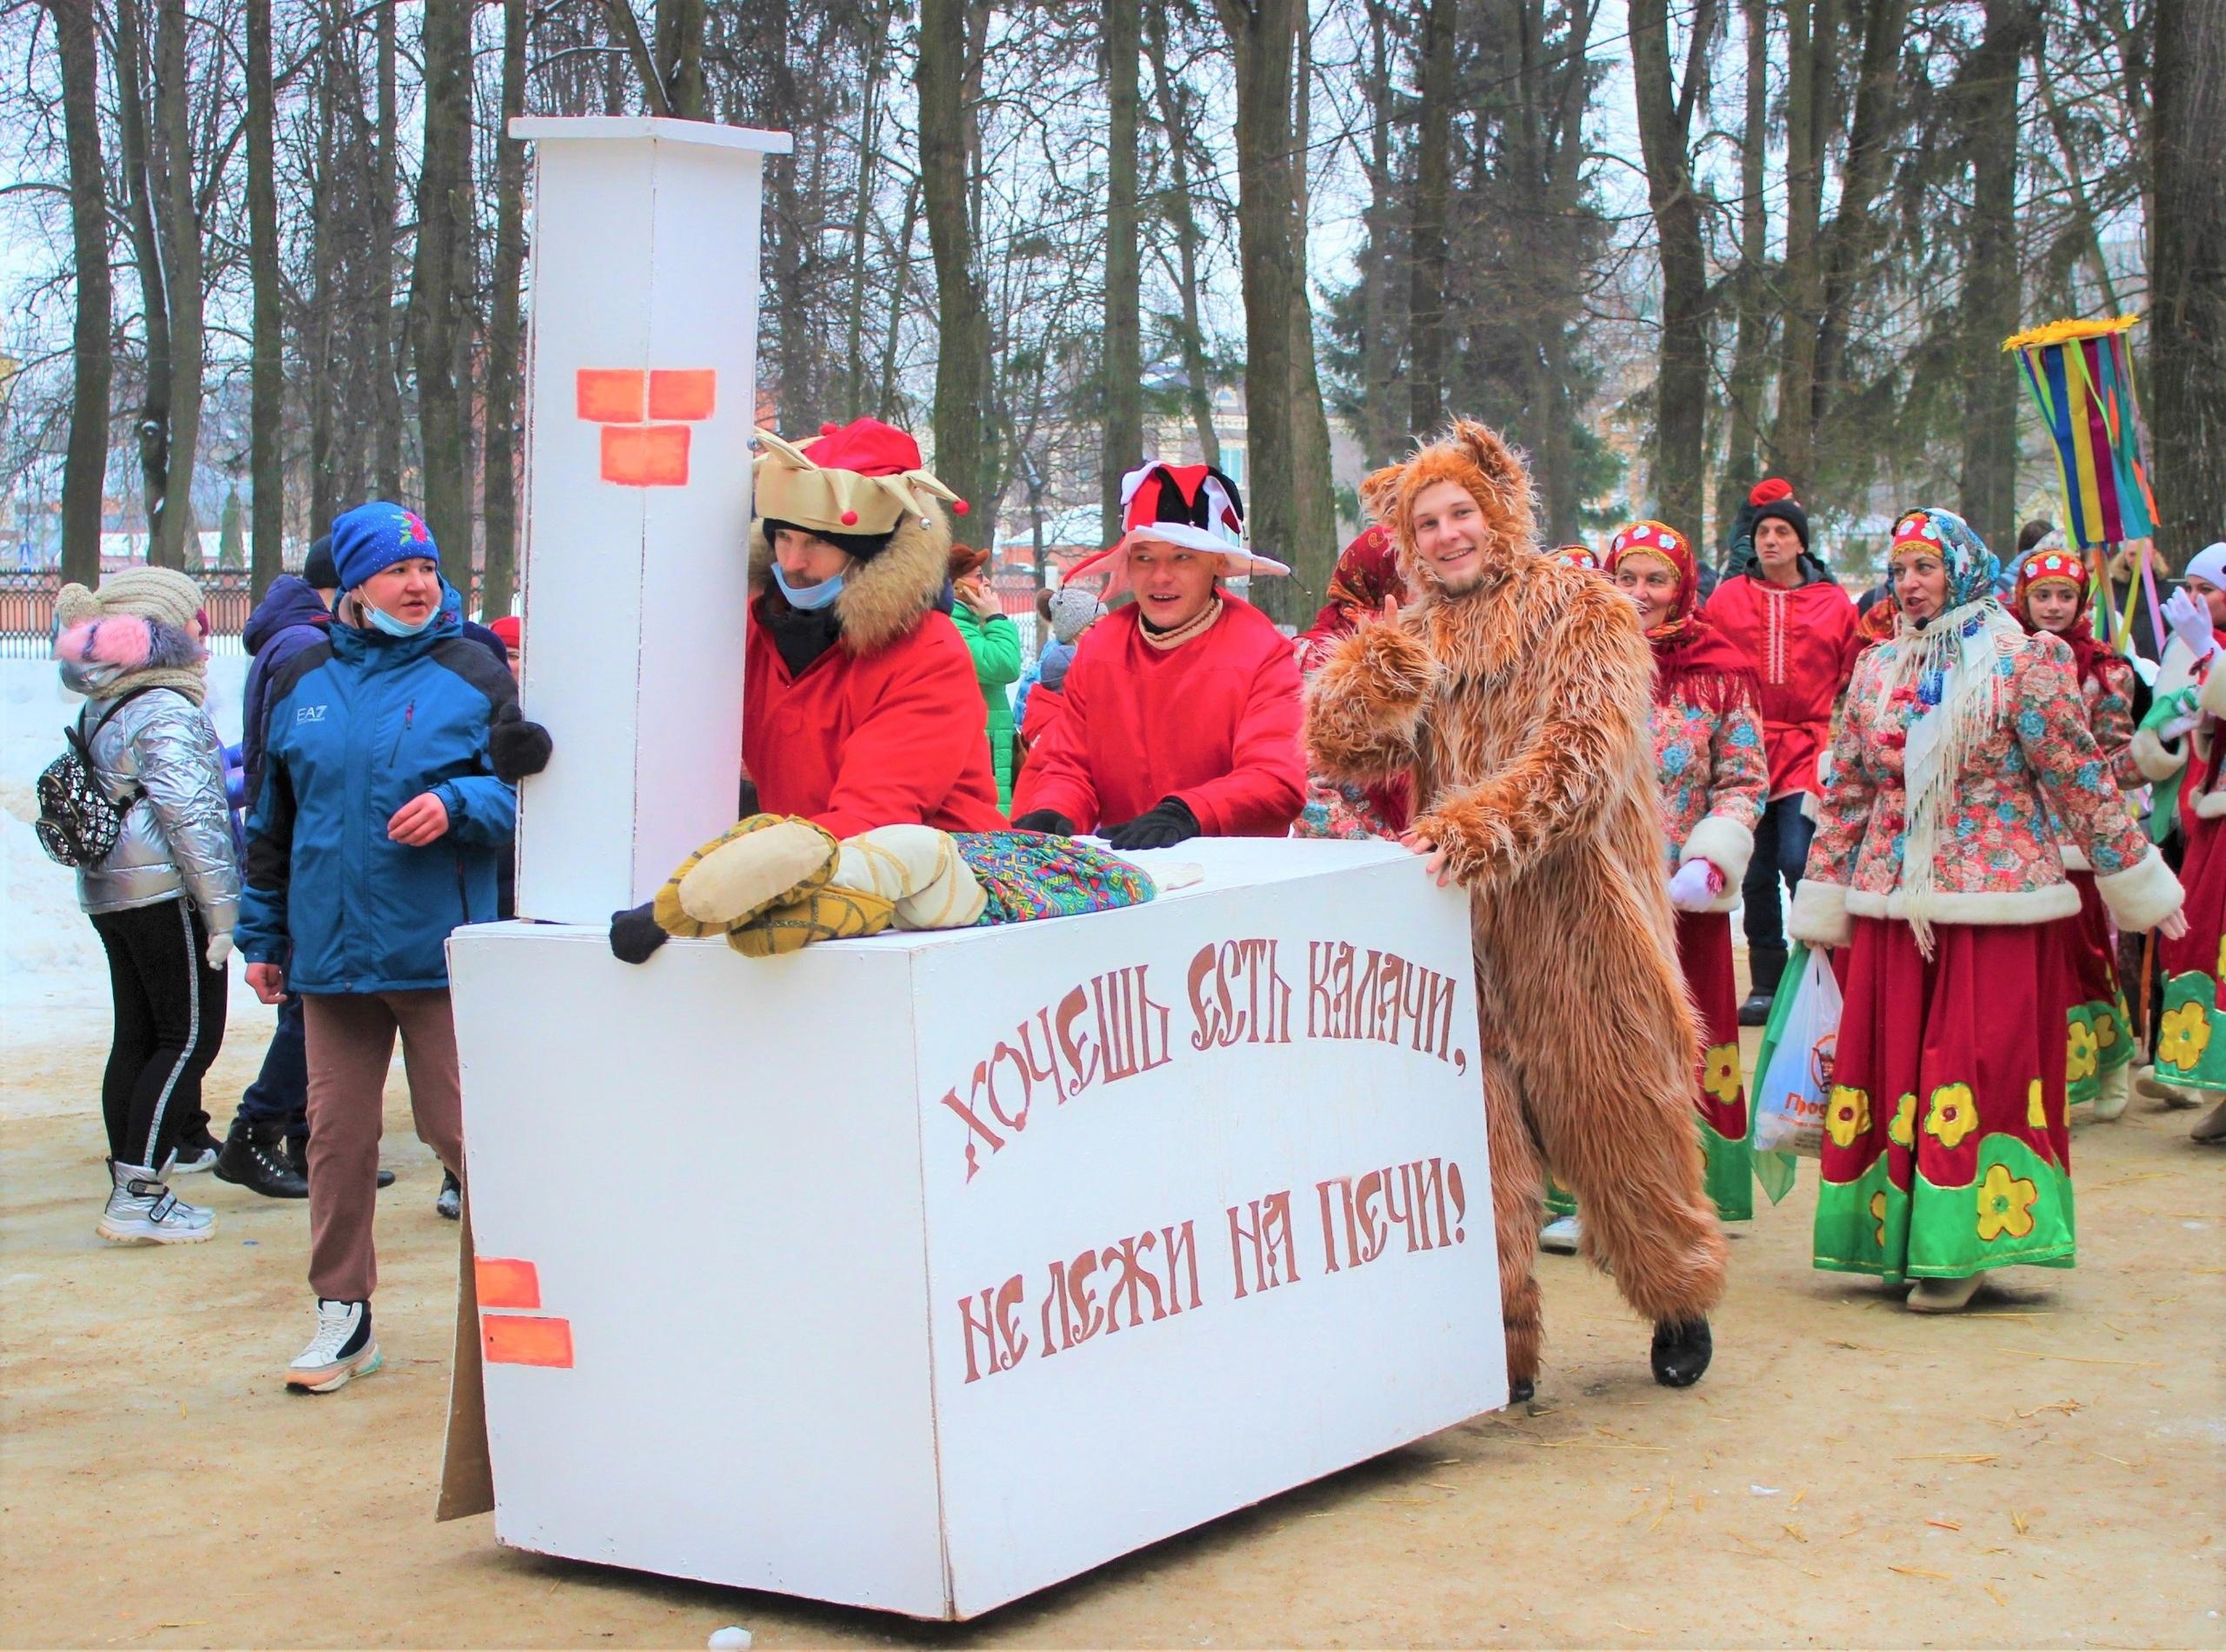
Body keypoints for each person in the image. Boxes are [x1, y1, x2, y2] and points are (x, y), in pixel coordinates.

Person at [1304, 421, 1728, 1397]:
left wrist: (1471, 828)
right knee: (1473, 1131)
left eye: (1460, 513)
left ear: (1497, 512)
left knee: (1620, 1109)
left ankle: (1674, 1289)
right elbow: (1346, 754)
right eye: (1427, 522)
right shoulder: (1413, 630)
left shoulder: (1583, 607)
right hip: (1457, 920)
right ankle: (1496, 1342)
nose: (1448, 535)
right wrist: (1360, 687)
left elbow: (1581, 759)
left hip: (1581, 909)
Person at [1790, 507, 2183, 1312]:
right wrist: (1823, 904)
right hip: (1894, 901)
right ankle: (1900, 1236)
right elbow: (1850, 792)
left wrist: (2138, 880)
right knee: (1897, 1062)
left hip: (1993, 904)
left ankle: (1962, 1243)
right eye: (1899, 570)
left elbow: (2077, 776)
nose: (1908, 584)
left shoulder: (2022, 662)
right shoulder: (1874, 669)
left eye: (1925, 568)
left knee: (1976, 1063)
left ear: (1963, 570)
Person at [240, 503, 529, 1392]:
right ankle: (343, 1314)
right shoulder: (302, 678)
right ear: (352, 586)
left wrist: (460, 805)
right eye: (397, 571)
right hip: (329, 960)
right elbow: (272, 824)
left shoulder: (473, 671)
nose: (416, 584)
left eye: (428, 570)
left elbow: (530, 795)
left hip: (435, 953)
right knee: (336, 1140)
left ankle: (553, 1297)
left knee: (462, 1133)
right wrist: (262, 934)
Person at [1534, 520, 1766, 1251]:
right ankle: (1589, 1194)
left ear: (1682, 588)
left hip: (1681, 896)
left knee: (1673, 1040)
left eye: (1655, 580)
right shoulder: (1572, 663)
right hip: (1591, 885)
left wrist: (1712, 857)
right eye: (1627, 578)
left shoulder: (1720, 671)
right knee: (1593, 1040)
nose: (1639, 595)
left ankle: (1679, 1191)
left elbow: (1745, 778)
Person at [53, 569, 239, 1245]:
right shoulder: (165, 708)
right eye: (195, 618)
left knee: (138, 1034)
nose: (206, 632)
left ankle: (134, 1178)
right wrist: (223, 915)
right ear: (160, 633)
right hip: (164, 892)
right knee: (189, 1036)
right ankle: (139, 1192)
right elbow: (195, 819)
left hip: (113, 891)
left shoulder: (107, 702)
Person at [1010, 461, 1304, 847]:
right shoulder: (1099, 648)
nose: (1160, 576)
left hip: (1233, 878)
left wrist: (1187, 813)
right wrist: (1054, 811)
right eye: (1144, 557)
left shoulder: (1263, 652)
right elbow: (1070, 766)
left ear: (1216, 564)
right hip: (1129, 869)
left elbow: (1276, 779)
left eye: (1182, 557)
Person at [213, 541, 341, 1200]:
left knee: (309, 996)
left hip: (289, 838)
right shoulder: (302, 646)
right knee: (309, 999)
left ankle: (302, 1139)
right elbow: (292, 755)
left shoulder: (288, 636)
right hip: (297, 844)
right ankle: (256, 1133)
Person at [1704, 484, 1859, 1023]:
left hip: (1807, 745)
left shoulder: (1833, 603)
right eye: (1763, 532)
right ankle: (1766, 982)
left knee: (1802, 857)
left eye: (1782, 532)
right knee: (1755, 868)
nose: (1770, 540)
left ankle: (1815, 966)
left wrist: (1841, 734)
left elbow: (1852, 671)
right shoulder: (1726, 599)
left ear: (1800, 544)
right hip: (1745, 746)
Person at [2010, 544, 2143, 1122]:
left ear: (2082, 601)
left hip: (2077, 833)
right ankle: (2048, 1072)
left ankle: (2110, 1059)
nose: (2055, 606)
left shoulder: (2106, 670)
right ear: (2023, 599)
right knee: (2032, 959)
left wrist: (2087, 783)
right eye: (2043, 595)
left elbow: (2119, 752)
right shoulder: (2002, 657)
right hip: (2017, 833)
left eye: (2066, 595)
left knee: (2087, 951)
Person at [2146, 547, 2226, 1139]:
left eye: (2210, 587)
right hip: (2214, 814)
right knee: (2201, 939)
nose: (2196, 599)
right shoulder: (2202, 644)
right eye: (2190, 586)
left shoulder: (2207, 645)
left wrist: (2206, 653)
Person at [1294, 526, 1410, 840]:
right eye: (1412, 576)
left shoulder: (1429, 641)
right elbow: (1305, 772)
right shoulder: (1314, 655)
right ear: (1384, 579)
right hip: (1352, 853)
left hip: (1428, 850)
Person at [947, 544, 1023, 810]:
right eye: (978, 576)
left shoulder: (970, 623)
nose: (986, 582)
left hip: (993, 742)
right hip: (984, 746)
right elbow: (1005, 665)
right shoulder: (954, 626)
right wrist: (996, 617)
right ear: (956, 585)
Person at [1014, 585, 1103, 779]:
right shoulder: (1050, 672)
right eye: (1094, 626)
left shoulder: (1091, 661)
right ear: (1073, 630)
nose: (1103, 632)